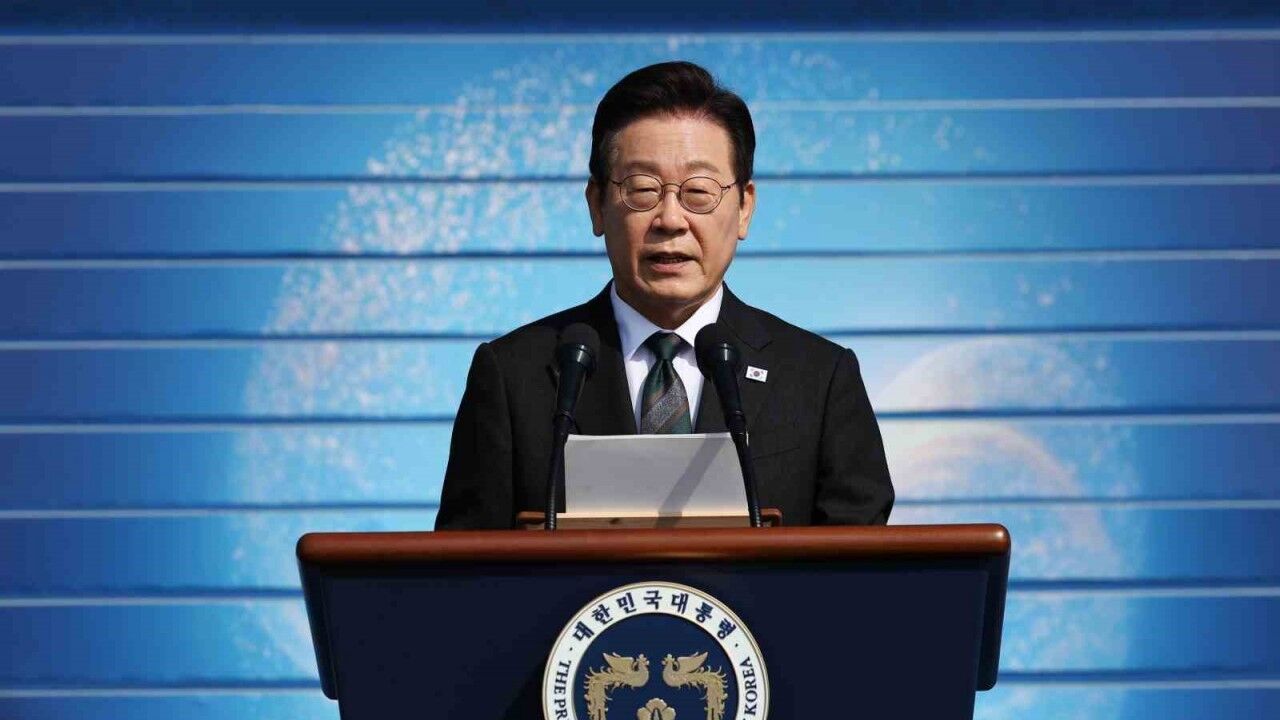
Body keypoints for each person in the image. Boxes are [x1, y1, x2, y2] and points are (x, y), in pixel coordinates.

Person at [434, 61, 892, 529]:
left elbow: (859, 564)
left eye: (699, 192)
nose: (671, 220)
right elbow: (465, 564)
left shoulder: (819, 379)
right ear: (597, 206)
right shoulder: (514, 376)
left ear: (744, 208)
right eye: (642, 190)